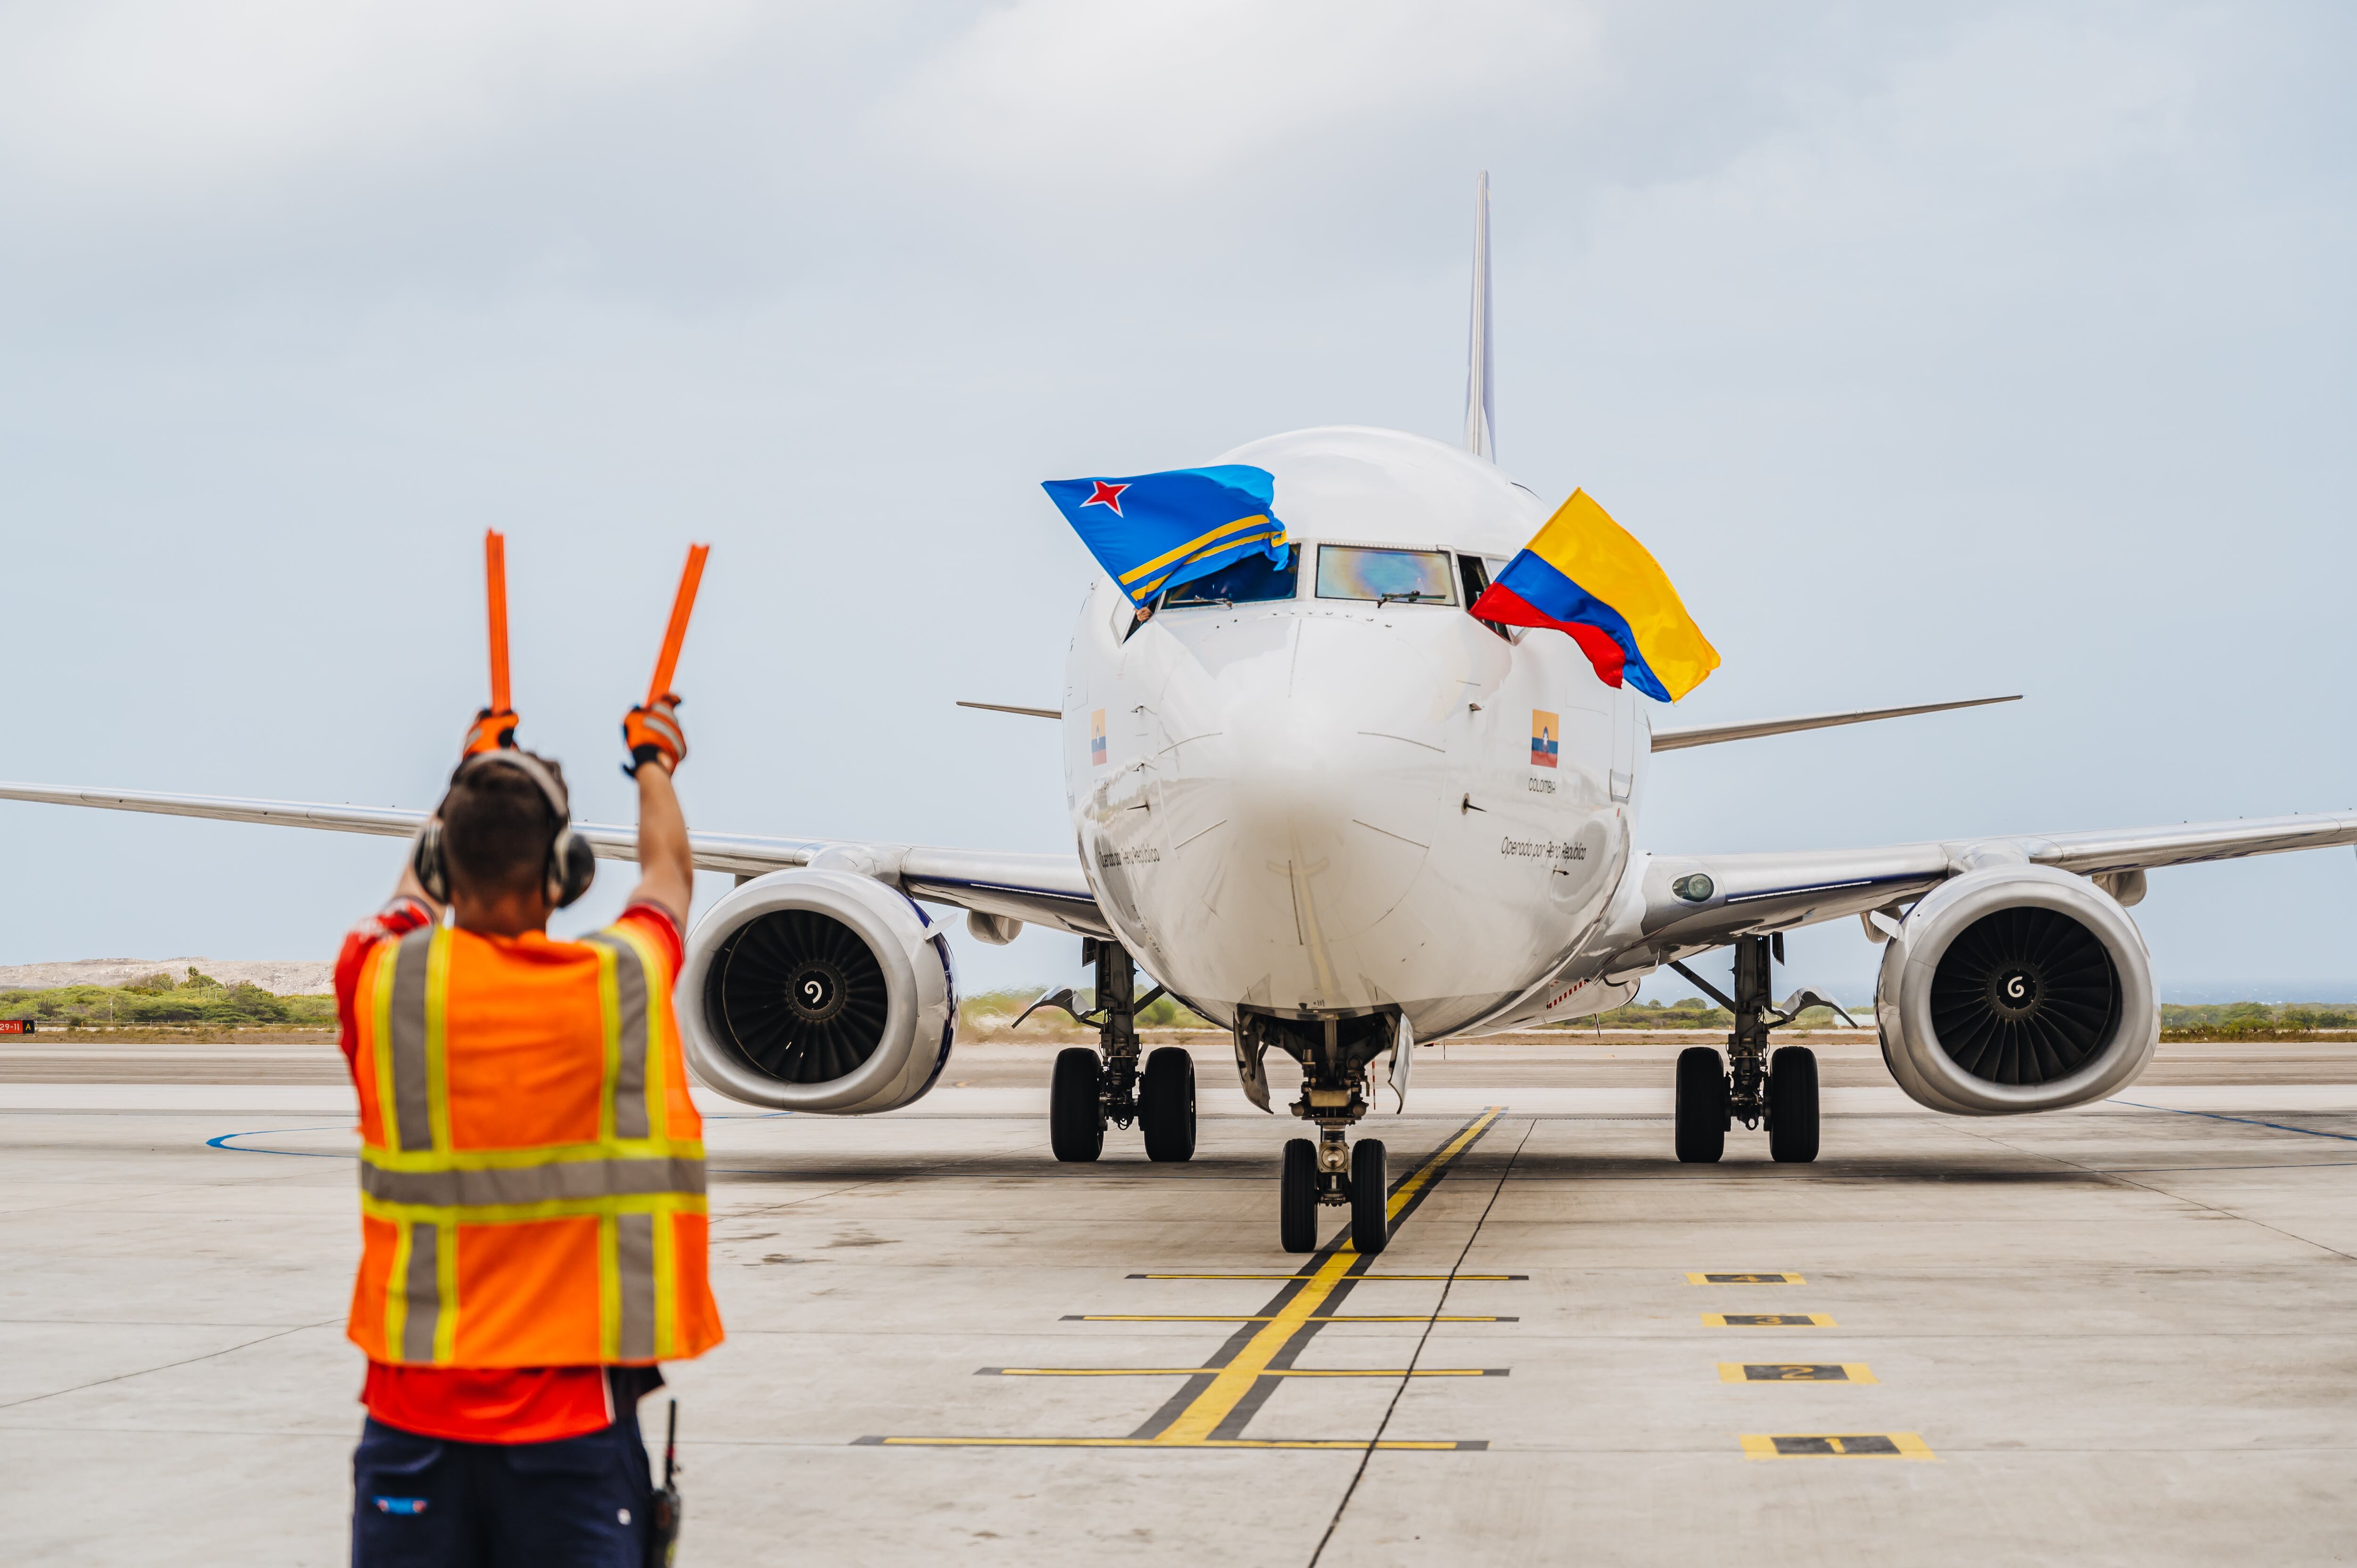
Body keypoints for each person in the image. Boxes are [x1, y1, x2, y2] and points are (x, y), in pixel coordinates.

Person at [335, 694, 720, 1567]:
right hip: (570, 1425)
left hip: (408, 1419)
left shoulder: (382, 977)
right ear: (568, 874)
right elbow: (668, 882)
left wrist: (468, 778)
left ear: (441, 854)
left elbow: (407, 898)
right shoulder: (616, 982)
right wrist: (653, 761)